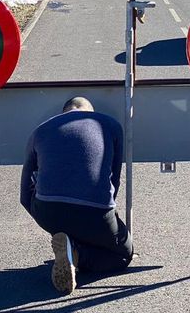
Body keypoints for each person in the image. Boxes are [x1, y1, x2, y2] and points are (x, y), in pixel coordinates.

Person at [20, 97, 133, 295]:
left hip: (48, 211)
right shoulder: (110, 125)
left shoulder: (40, 130)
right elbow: (114, 180)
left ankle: (70, 244)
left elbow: (24, 193)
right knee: (123, 255)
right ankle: (78, 255)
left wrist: (45, 217)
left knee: (69, 221)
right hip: (95, 211)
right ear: (90, 111)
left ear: (64, 112)